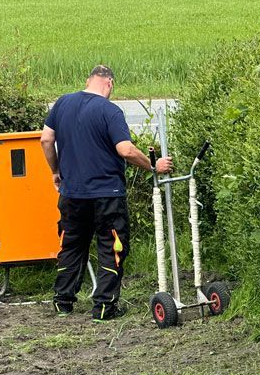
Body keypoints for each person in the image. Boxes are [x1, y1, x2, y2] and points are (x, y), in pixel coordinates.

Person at [40, 65, 173, 321]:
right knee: (112, 247)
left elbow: (46, 140)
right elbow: (126, 150)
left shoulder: (62, 103)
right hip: (106, 194)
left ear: (88, 80)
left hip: (71, 193)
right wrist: (153, 166)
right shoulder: (110, 111)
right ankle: (104, 307)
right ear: (109, 83)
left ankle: (62, 302)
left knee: (71, 244)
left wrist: (55, 170)